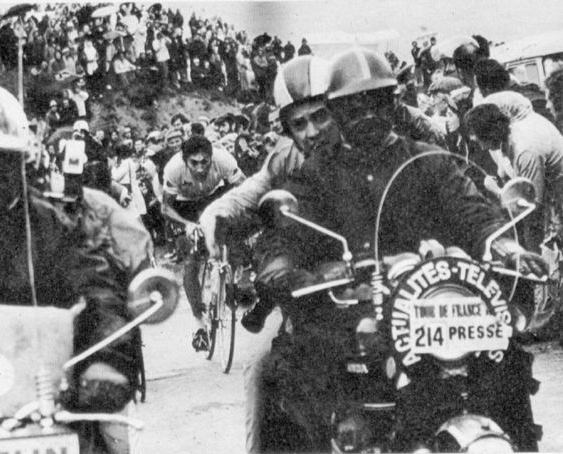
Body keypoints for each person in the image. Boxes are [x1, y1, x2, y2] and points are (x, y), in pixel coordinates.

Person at [253, 47, 546, 453]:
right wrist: (287, 271)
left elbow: (476, 213)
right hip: (353, 309)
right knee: (294, 373)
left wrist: (507, 246)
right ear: (336, 110)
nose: (367, 115)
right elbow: (283, 237)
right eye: (353, 107)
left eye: (376, 102)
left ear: (393, 101)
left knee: (505, 358)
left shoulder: (430, 161)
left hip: (435, 306)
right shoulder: (314, 177)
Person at [0, 85, 153, 454]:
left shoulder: (54, 225)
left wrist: (104, 362)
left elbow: (98, 292)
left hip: (46, 409)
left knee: (111, 442)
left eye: (6, 160)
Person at [198, 55, 331, 453]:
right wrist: (215, 213)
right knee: (263, 373)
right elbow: (254, 193)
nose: (311, 131)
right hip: (324, 295)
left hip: (402, 289)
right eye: (299, 123)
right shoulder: (287, 160)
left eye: (321, 116)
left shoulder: (379, 143)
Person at [161, 136, 245, 351]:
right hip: (183, 206)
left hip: (212, 198)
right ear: (184, 160)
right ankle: (199, 324)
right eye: (194, 163)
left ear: (212, 157)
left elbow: (245, 189)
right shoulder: (174, 168)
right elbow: (165, 208)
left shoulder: (224, 160)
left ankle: (228, 278)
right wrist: (186, 225)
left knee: (231, 237)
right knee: (191, 260)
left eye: (205, 162)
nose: (200, 168)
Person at [465, 94, 563, 250]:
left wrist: (497, 191)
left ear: (491, 134)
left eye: (481, 142)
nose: (482, 148)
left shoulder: (525, 149)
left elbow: (532, 206)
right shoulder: (508, 134)